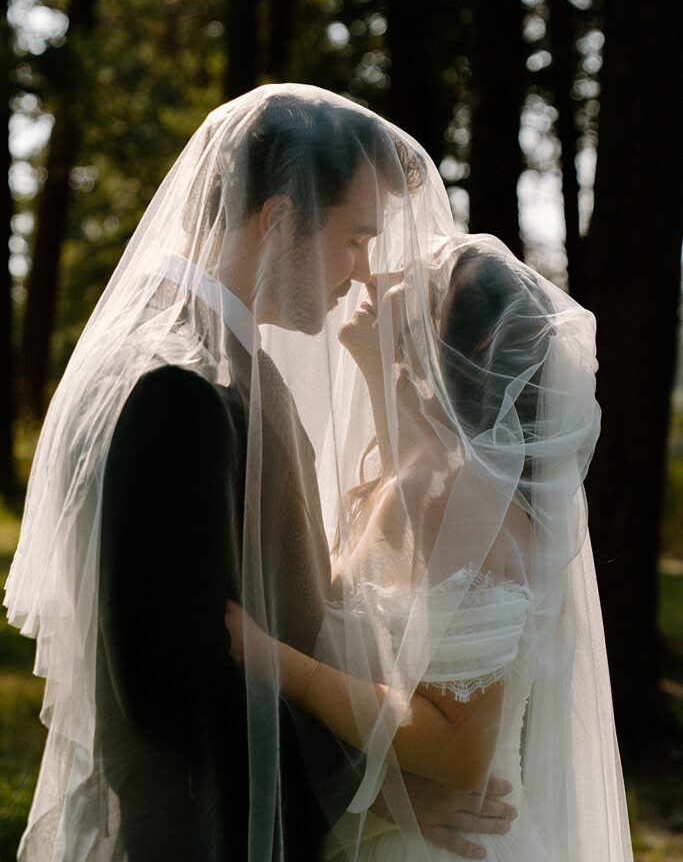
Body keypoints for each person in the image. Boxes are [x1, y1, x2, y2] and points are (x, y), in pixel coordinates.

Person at [4, 85, 516, 862]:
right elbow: (175, 680)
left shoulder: (211, 361)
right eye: (354, 238)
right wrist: (376, 789)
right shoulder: (178, 385)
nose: (361, 271)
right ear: (278, 220)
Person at [225, 238, 634, 861]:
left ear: (461, 343)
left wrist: (274, 659)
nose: (375, 273)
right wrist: (376, 364)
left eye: (417, 282)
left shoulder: (458, 494)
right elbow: (410, 565)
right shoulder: (449, 483)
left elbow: (459, 750)